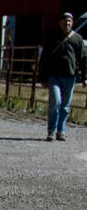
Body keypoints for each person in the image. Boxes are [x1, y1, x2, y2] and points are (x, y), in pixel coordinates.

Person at [36, 12, 85, 142]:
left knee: (65, 106)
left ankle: (61, 131)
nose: (67, 23)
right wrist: (42, 78)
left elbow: (84, 59)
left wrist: (85, 77)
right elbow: (44, 59)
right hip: (54, 76)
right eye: (65, 21)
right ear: (60, 23)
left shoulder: (77, 39)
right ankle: (51, 131)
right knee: (55, 102)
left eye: (69, 21)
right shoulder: (52, 38)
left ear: (72, 23)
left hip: (70, 76)